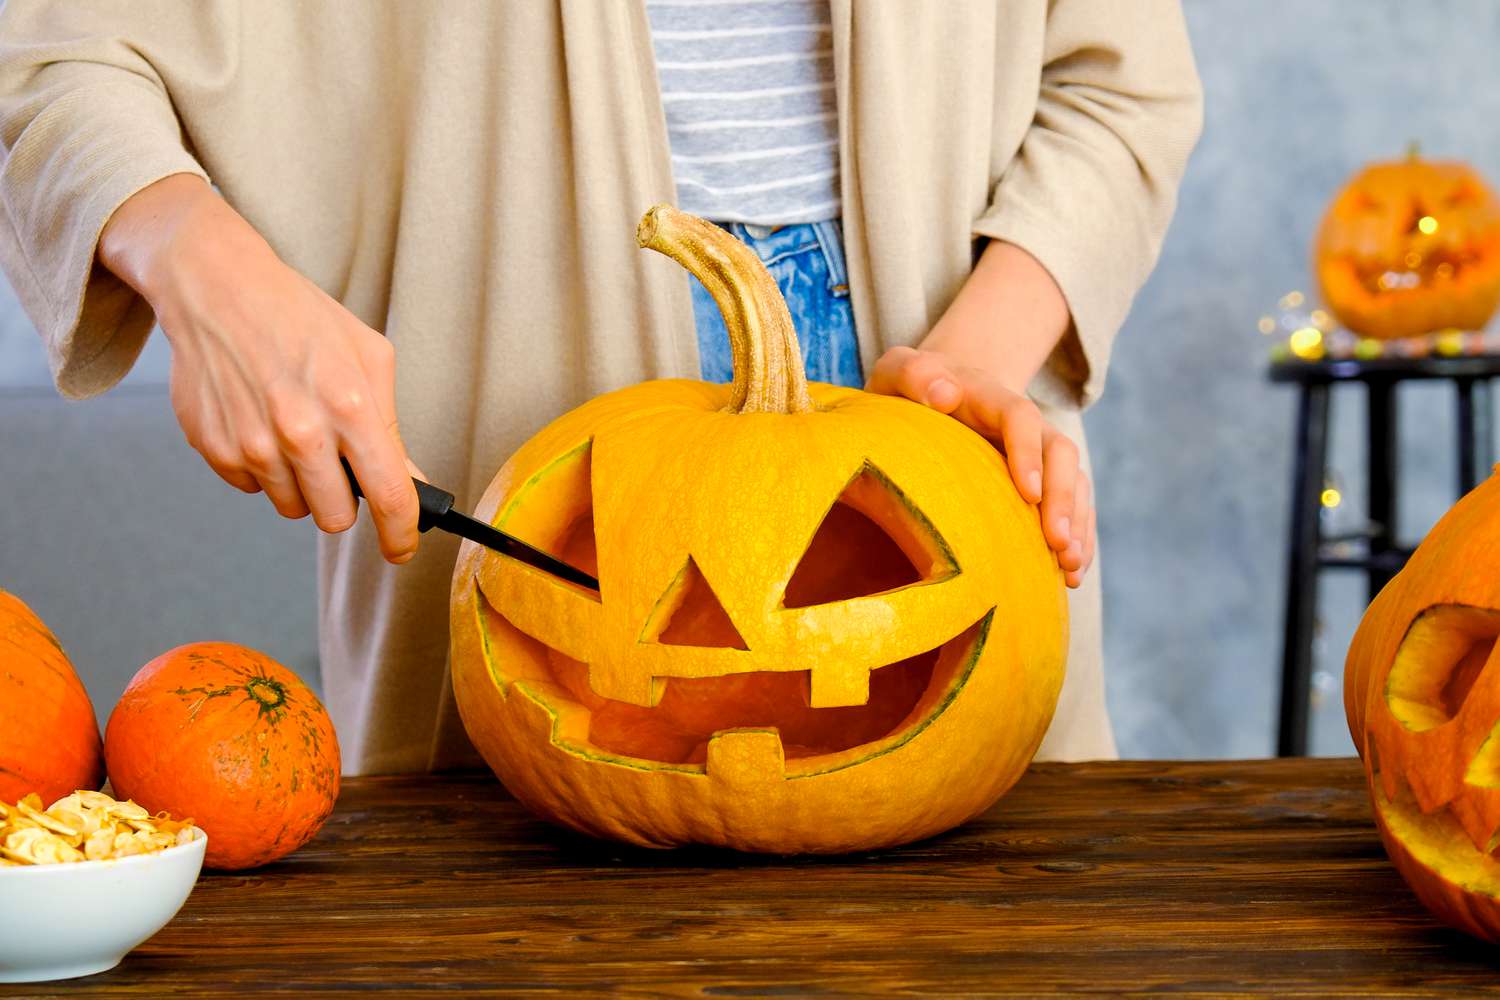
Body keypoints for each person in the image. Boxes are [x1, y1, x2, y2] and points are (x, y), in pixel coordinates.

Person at [0, 2, 1201, 774]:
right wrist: (205, 269)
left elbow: (1117, 86)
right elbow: (52, 59)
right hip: (507, 382)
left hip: (937, 384)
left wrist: (971, 361)